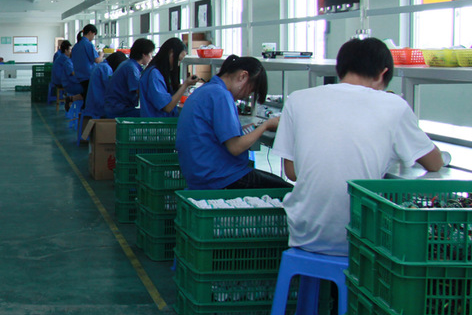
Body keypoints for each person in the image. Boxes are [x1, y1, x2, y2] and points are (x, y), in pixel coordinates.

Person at [273, 38, 444, 256]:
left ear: (340, 69)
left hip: (304, 234)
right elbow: (435, 163)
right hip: (360, 237)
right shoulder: (394, 106)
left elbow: (292, 173)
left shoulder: (297, 100)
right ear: (383, 74)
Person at [175, 55, 286, 190]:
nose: (246, 96)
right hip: (219, 177)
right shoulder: (221, 95)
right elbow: (235, 147)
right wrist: (266, 126)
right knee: (285, 190)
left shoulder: (207, 90)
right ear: (243, 76)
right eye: (250, 90)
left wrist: (246, 130)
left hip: (200, 172)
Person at [139, 38, 199, 118]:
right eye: (178, 60)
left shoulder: (159, 72)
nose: (178, 64)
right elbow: (167, 107)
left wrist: (181, 87)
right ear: (171, 53)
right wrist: (185, 85)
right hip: (157, 125)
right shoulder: (154, 75)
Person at [104, 38, 155, 118]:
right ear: (144, 54)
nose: (151, 57)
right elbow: (140, 92)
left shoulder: (128, 64)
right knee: (150, 115)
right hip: (118, 109)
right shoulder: (131, 68)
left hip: (115, 106)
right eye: (151, 54)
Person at [83, 52, 126, 119]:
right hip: (98, 108)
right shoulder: (105, 68)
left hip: (95, 104)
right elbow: (111, 88)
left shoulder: (102, 66)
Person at [70, 24, 104, 95]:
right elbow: (97, 60)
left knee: (86, 95)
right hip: (88, 76)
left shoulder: (76, 46)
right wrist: (101, 55)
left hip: (79, 76)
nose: (93, 37)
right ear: (90, 33)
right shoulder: (88, 44)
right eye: (94, 35)